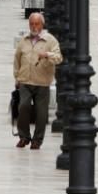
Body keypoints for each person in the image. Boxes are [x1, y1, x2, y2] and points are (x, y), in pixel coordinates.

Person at [13, 13, 63, 149]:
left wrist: (47, 55)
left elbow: (59, 58)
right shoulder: (24, 40)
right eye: (32, 24)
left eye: (37, 24)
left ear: (42, 25)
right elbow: (17, 60)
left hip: (42, 82)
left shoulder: (50, 40)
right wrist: (17, 77)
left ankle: (37, 140)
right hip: (25, 81)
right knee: (23, 107)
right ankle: (24, 136)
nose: (34, 27)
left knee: (41, 114)